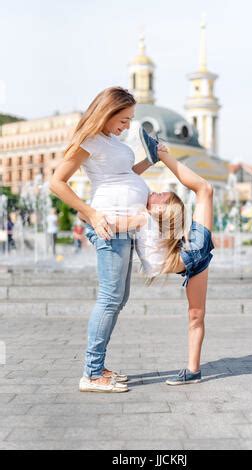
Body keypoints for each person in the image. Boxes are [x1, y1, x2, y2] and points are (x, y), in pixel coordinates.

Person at [50, 86, 156, 393]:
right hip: (110, 225)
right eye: (123, 119)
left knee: (118, 299)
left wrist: (150, 161)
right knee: (110, 299)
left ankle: (98, 367)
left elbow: (124, 174)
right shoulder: (88, 140)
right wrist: (92, 214)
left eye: (129, 119)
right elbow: (57, 183)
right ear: (107, 113)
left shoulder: (112, 142)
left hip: (126, 226)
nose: (126, 126)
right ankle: (91, 373)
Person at [106, 131, 215, 386]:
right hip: (188, 256)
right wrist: (148, 160)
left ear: (160, 210)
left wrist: (90, 216)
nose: (154, 193)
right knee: (195, 316)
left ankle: (192, 370)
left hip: (192, 254)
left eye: (160, 197)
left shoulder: (144, 217)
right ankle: (160, 154)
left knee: (205, 190)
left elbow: (113, 224)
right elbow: (127, 178)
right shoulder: (147, 214)